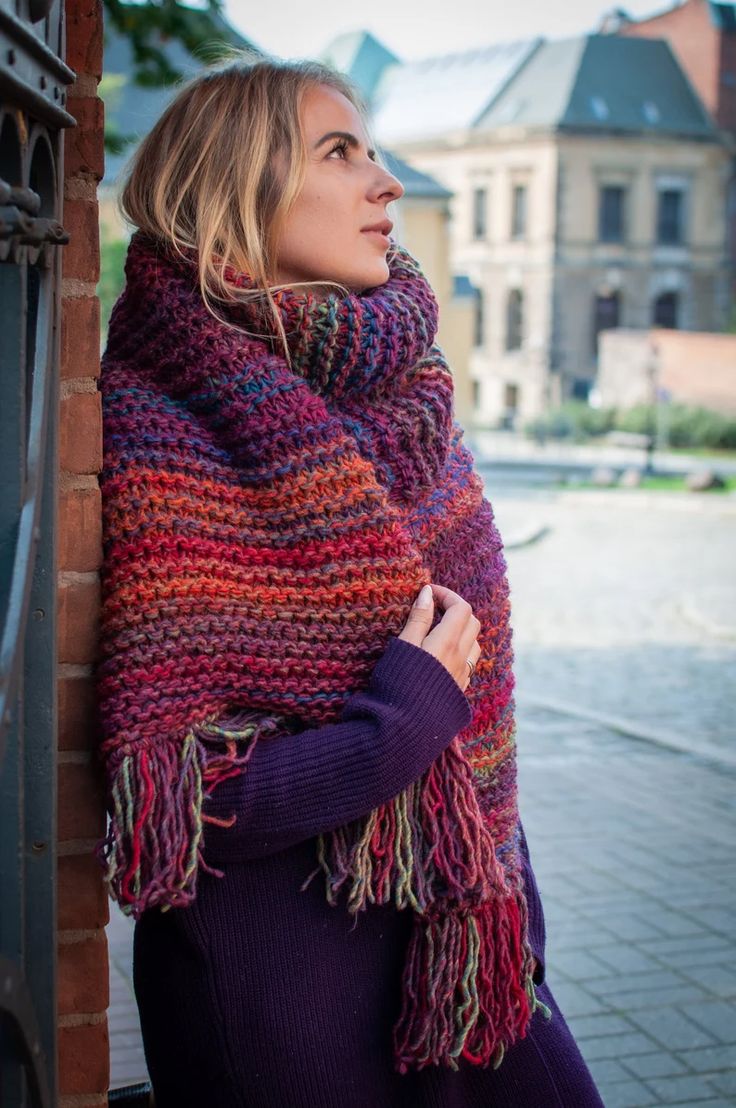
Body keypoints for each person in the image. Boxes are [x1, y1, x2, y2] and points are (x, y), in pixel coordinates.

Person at [94, 52, 605, 1107]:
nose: (387, 185)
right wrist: (397, 722)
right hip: (289, 1004)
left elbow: (483, 744)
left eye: (375, 153)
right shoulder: (159, 433)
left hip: (469, 963)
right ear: (233, 185)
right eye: (340, 153)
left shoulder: (416, 404)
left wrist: (507, 921)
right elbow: (175, 811)